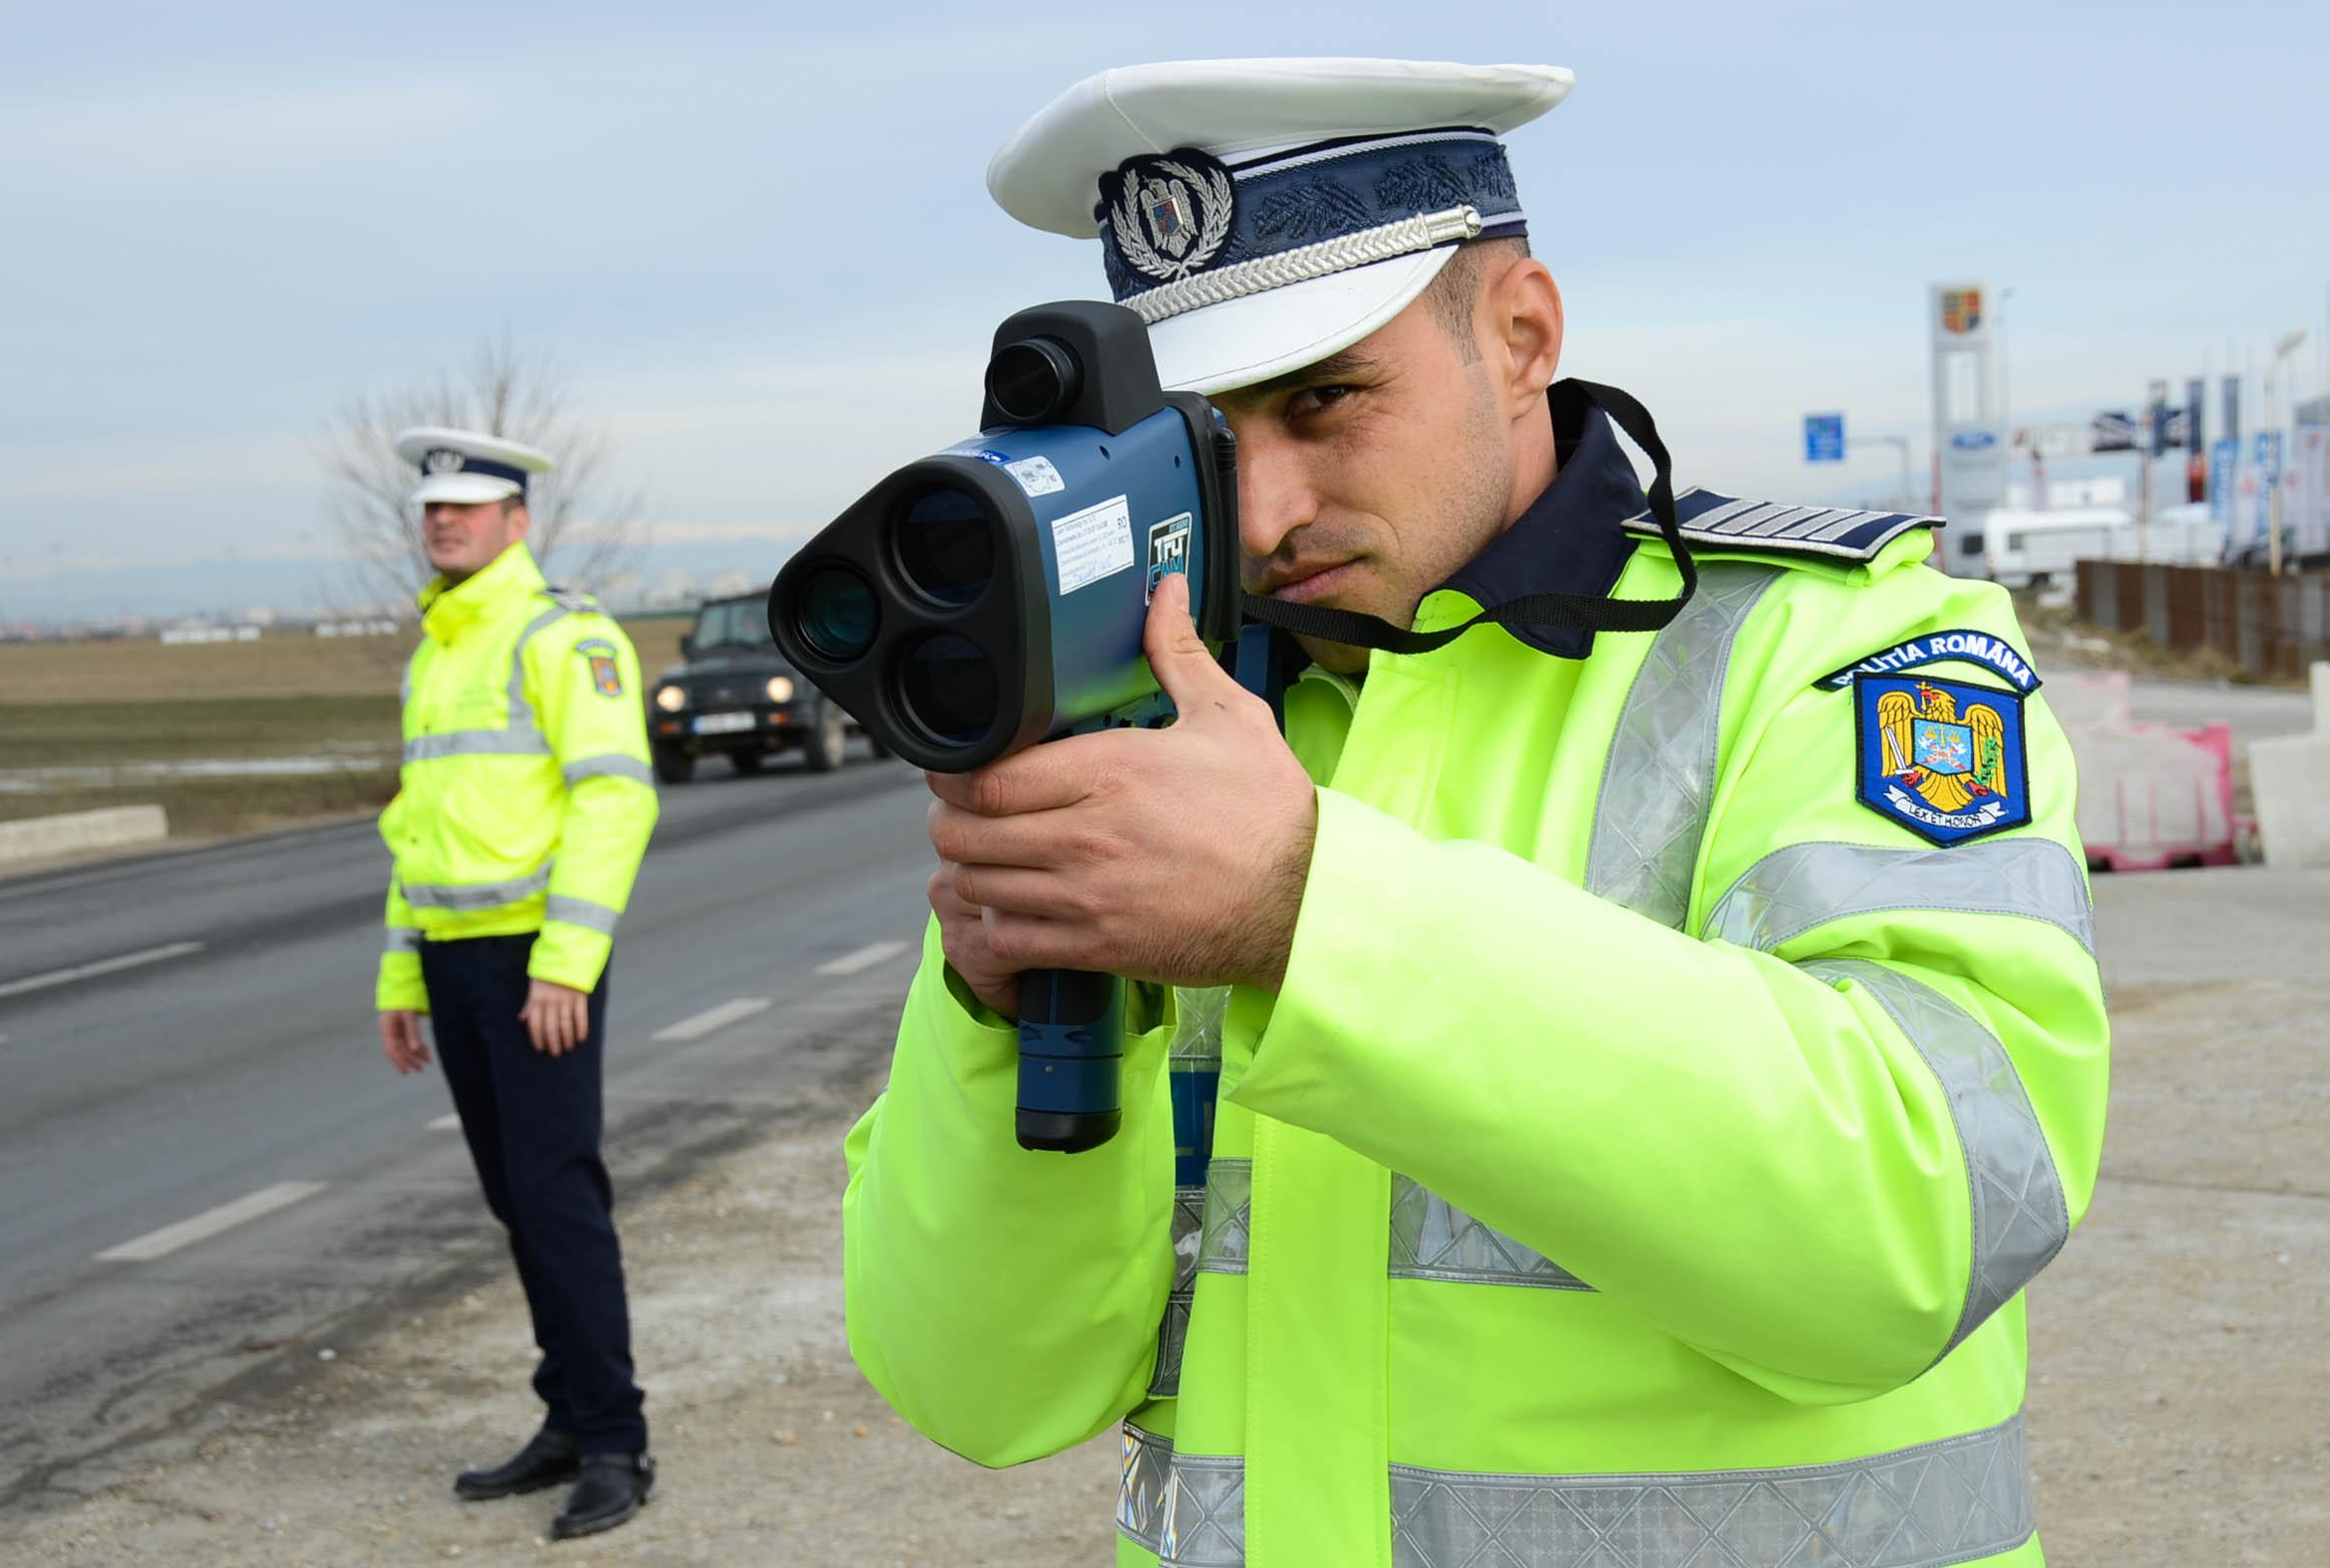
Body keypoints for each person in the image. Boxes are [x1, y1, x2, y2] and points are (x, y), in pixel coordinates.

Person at [841, 59, 2109, 1567]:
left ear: (1520, 333)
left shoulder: (1833, 646)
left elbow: (1927, 1224)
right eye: (1208, 447)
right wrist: (999, 1017)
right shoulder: (1165, 741)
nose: (1262, 516)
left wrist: (1306, 911)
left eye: (1326, 399)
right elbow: (978, 1391)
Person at [373, 426, 660, 1540]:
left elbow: (614, 798)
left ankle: (616, 1442)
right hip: (452, 963)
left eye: (469, 505)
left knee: (555, 1199)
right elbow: (416, 829)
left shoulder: (563, 634)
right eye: (433, 507)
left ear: (517, 520)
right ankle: (568, 1414)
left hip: (536, 961)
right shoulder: (437, 651)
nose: (445, 519)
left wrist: (564, 963)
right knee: (515, 1202)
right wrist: (400, 971)